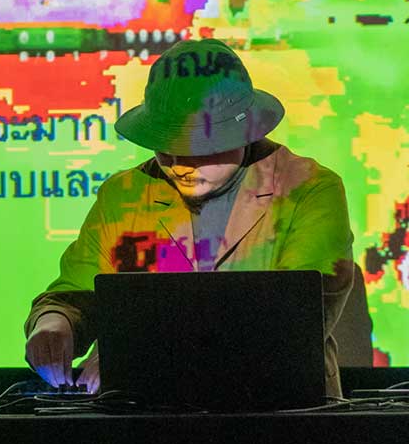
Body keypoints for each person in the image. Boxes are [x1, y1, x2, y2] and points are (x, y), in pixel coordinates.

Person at [24, 37, 355, 399]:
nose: (180, 164)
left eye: (198, 149)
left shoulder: (309, 189)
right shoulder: (124, 194)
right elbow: (78, 290)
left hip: (281, 409)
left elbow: (295, 320)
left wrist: (140, 356)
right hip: (147, 417)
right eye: (166, 148)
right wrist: (54, 324)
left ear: (244, 132)